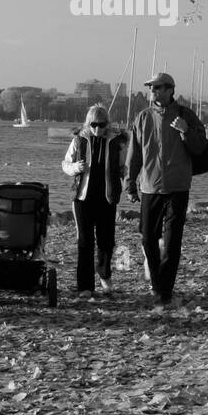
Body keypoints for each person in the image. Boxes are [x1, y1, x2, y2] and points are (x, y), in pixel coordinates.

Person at [126, 72, 208, 311]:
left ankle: (164, 290)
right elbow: (134, 155)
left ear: (171, 89)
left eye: (159, 87)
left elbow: (200, 147)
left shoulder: (186, 115)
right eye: (151, 86)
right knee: (147, 238)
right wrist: (129, 184)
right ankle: (157, 282)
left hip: (178, 186)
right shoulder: (142, 118)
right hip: (150, 185)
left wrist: (185, 131)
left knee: (172, 241)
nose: (153, 90)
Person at [62, 104, 127, 298]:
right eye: (93, 124)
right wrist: (75, 167)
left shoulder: (117, 142)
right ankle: (85, 287)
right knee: (85, 241)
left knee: (107, 241)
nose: (97, 129)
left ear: (108, 123)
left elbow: (126, 166)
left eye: (102, 124)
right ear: (88, 123)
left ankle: (104, 275)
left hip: (107, 199)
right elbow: (65, 164)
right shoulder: (79, 140)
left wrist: (125, 176)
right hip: (83, 198)